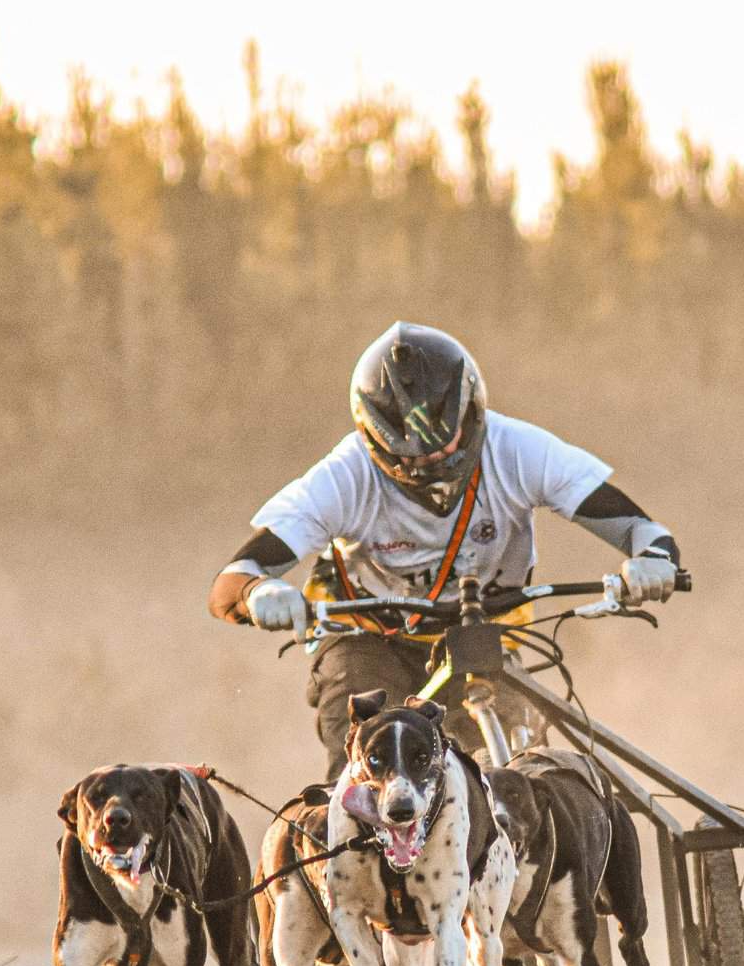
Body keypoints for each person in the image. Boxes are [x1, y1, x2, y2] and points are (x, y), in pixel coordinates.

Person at [209, 322, 680, 780]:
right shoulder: (343, 477)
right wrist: (259, 591)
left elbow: (642, 530)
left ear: (471, 412)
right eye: (408, 453)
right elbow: (231, 582)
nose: (429, 460)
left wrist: (653, 562)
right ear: (373, 439)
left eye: (442, 441)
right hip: (368, 640)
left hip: (479, 634)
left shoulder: (519, 450)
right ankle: (350, 842)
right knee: (369, 747)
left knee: (519, 766)